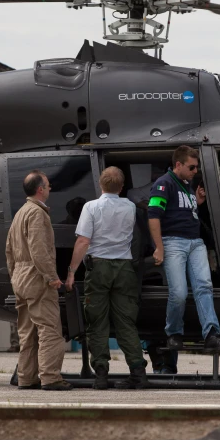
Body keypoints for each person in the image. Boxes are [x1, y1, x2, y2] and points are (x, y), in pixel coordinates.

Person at [65, 167, 150, 389]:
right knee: (126, 322)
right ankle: (138, 372)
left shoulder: (91, 207)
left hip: (99, 268)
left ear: (101, 185)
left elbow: (83, 241)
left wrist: (72, 271)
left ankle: (101, 374)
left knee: (97, 322)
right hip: (124, 269)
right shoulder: (130, 207)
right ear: (121, 187)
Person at [148, 145, 220, 354]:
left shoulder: (186, 184)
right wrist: (159, 247)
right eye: (192, 167)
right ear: (178, 165)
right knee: (178, 292)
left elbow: (183, 211)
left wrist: (197, 202)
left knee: (204, 286)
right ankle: (174, 333)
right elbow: (153, 216)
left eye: (197, 168)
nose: (196, 172)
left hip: (195, 242)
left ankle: (211, 334)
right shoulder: (163, 184)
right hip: (173, 243)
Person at [5, 170, 71, 391]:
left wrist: (15, 276)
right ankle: (51, 377)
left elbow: (9, 251)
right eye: (48, 185)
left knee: (27, 332)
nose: (50, 188)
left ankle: (26, 377)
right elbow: (39, 249)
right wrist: (51, 277)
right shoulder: (37, 213)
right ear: (40, 189)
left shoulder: (20, 213)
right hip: (36, 278)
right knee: (50, 329)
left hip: (20, 279)